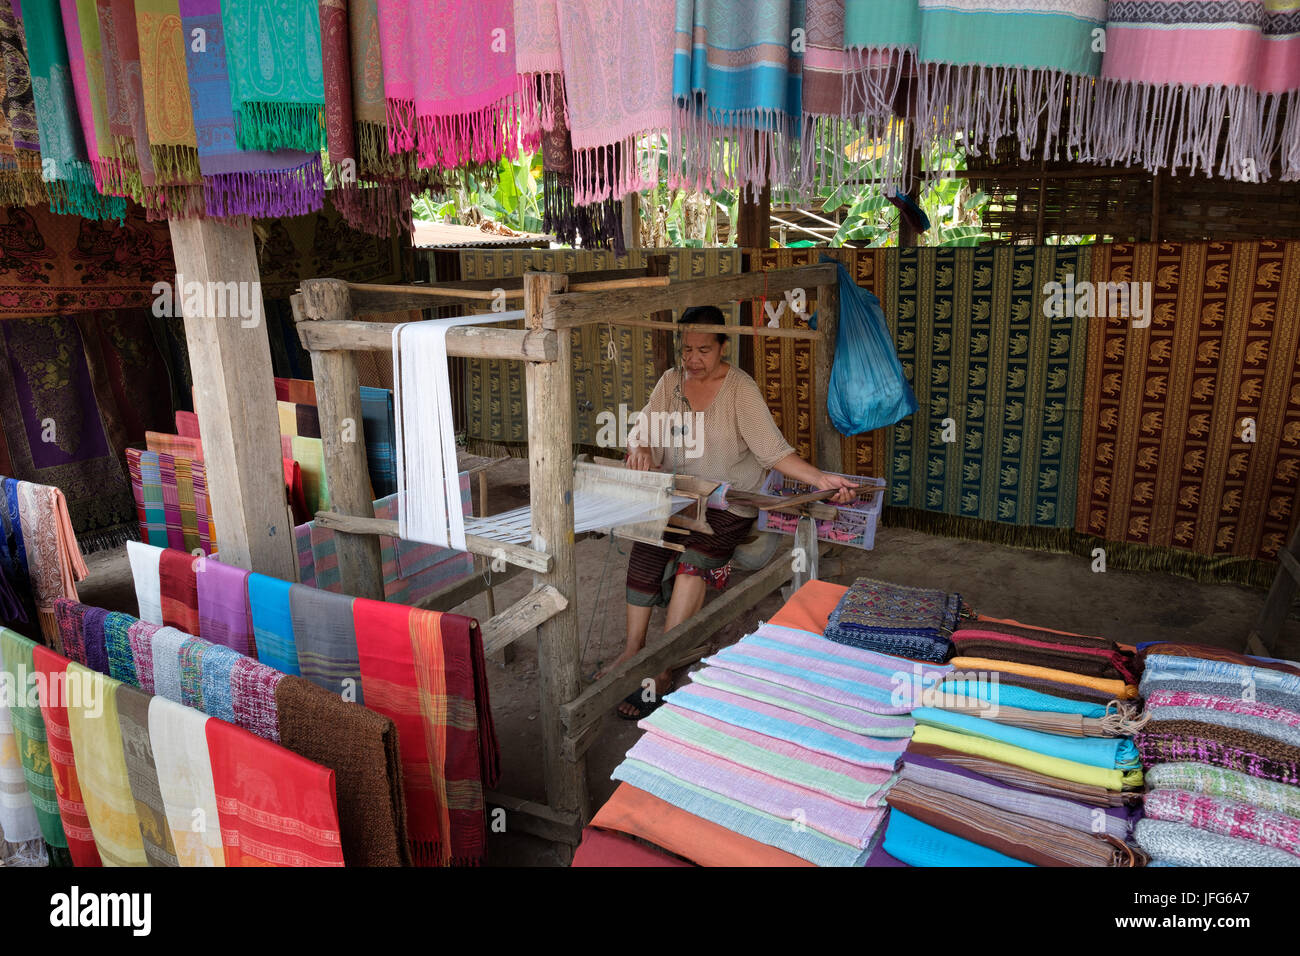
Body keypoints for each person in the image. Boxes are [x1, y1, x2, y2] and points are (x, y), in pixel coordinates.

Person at [602, 305, 858, 719]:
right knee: (647, 547)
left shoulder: (740, 389)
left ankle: (663, 668)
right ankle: (632, 651)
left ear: (724, 346)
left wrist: (820, 480)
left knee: (694, 559)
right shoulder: (670, 383)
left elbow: (773, 452)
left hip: (729, 500)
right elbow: (642, 433)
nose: (692, 359)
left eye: (704, 349)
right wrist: (642, 449)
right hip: (680, 495)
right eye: (686, 349)